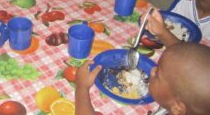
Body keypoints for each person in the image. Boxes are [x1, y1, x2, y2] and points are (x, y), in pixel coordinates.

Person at [75, 43, 210, 115]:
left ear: (177, 108)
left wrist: (81, 87)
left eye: (158, 74)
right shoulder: (178, 106)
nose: (152, 70)